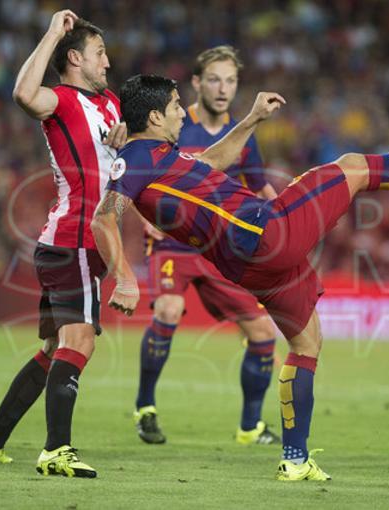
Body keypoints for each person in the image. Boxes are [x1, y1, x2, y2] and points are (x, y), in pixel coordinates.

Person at [91, 74, 389, 481]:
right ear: (157, 115)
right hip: (265, 232)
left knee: (306, 343)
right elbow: (104, 217)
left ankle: (295, 459)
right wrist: (124, 277)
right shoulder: (138, 158)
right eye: (178, 105)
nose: (184, 112)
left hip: (249, 265)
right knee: (353, 167)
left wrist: (250, 119)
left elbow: (213, 161)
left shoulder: (165, 159)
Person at [0, 10, 126, 478]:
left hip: (84, 241)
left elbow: (131, 157)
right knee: (79, 341)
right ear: (75, 58)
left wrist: (127, 140)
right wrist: (53, 32)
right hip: (73, 237)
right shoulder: (59, 99)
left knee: (54, 347)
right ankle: (57, 450)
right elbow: (21, 94)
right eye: (100, 53)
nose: (108, 62)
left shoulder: (113, 103)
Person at [133, 46, 280, 446]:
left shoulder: (242, 135)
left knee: (263, 332)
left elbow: (260, 185)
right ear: (196, 83)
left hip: (220, 251)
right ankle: (145, 407)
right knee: (168, 309)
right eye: (214, 79)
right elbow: (138, 176)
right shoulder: (174, 124)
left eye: (230, 80)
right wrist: (149, 219)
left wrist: (286, 217)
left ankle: (250, 427)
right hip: (174, 246)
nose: (223, 88)